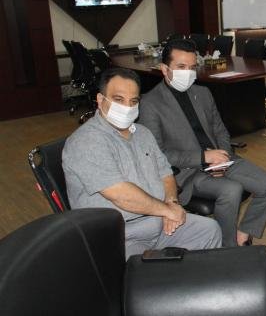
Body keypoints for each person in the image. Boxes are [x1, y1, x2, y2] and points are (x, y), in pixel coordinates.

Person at [62, 68, 222, 259]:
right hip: (119, 234)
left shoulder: (143, 133)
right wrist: (166, 210)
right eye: (119, 99)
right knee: (147, 269)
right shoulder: (86, 141)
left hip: (159, 220)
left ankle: (196, 278)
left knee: (209, 230)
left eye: (133, 101)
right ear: (100, 99)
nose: (127, 107)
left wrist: (171, 203)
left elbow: (166, 173)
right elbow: (122, 196)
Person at [138, 39, 266, 247]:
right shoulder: (150, 103)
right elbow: (157, 154)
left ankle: (242, 234)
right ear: (164, 69)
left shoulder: (202, 93)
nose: (188, 73)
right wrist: (203, 158)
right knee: (231, 190)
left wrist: (222, 155)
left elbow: (220, 130)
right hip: (187, 172)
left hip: (221, 160)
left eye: (192, 67)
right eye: (181, 67)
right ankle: (227, 248)